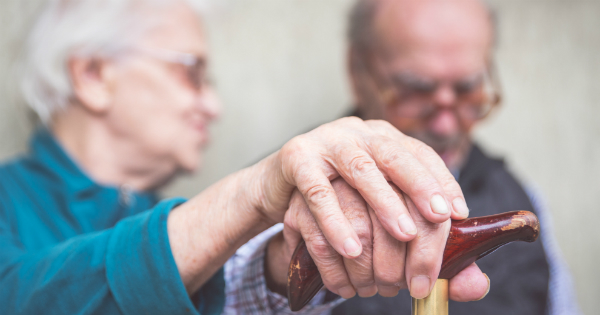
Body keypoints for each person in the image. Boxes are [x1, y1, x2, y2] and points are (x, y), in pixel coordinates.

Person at [0, 0, 490, 314]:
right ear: (91, 74)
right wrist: (250, 193)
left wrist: (300, 256)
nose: (213, 107)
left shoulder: (156, 216)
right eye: (192, 73)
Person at [332, 0, 580, 314]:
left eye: (467, 88)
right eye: (415, 89)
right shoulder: (294, 205)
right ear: (358, 71)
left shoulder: (521, 199)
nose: (445, 125)